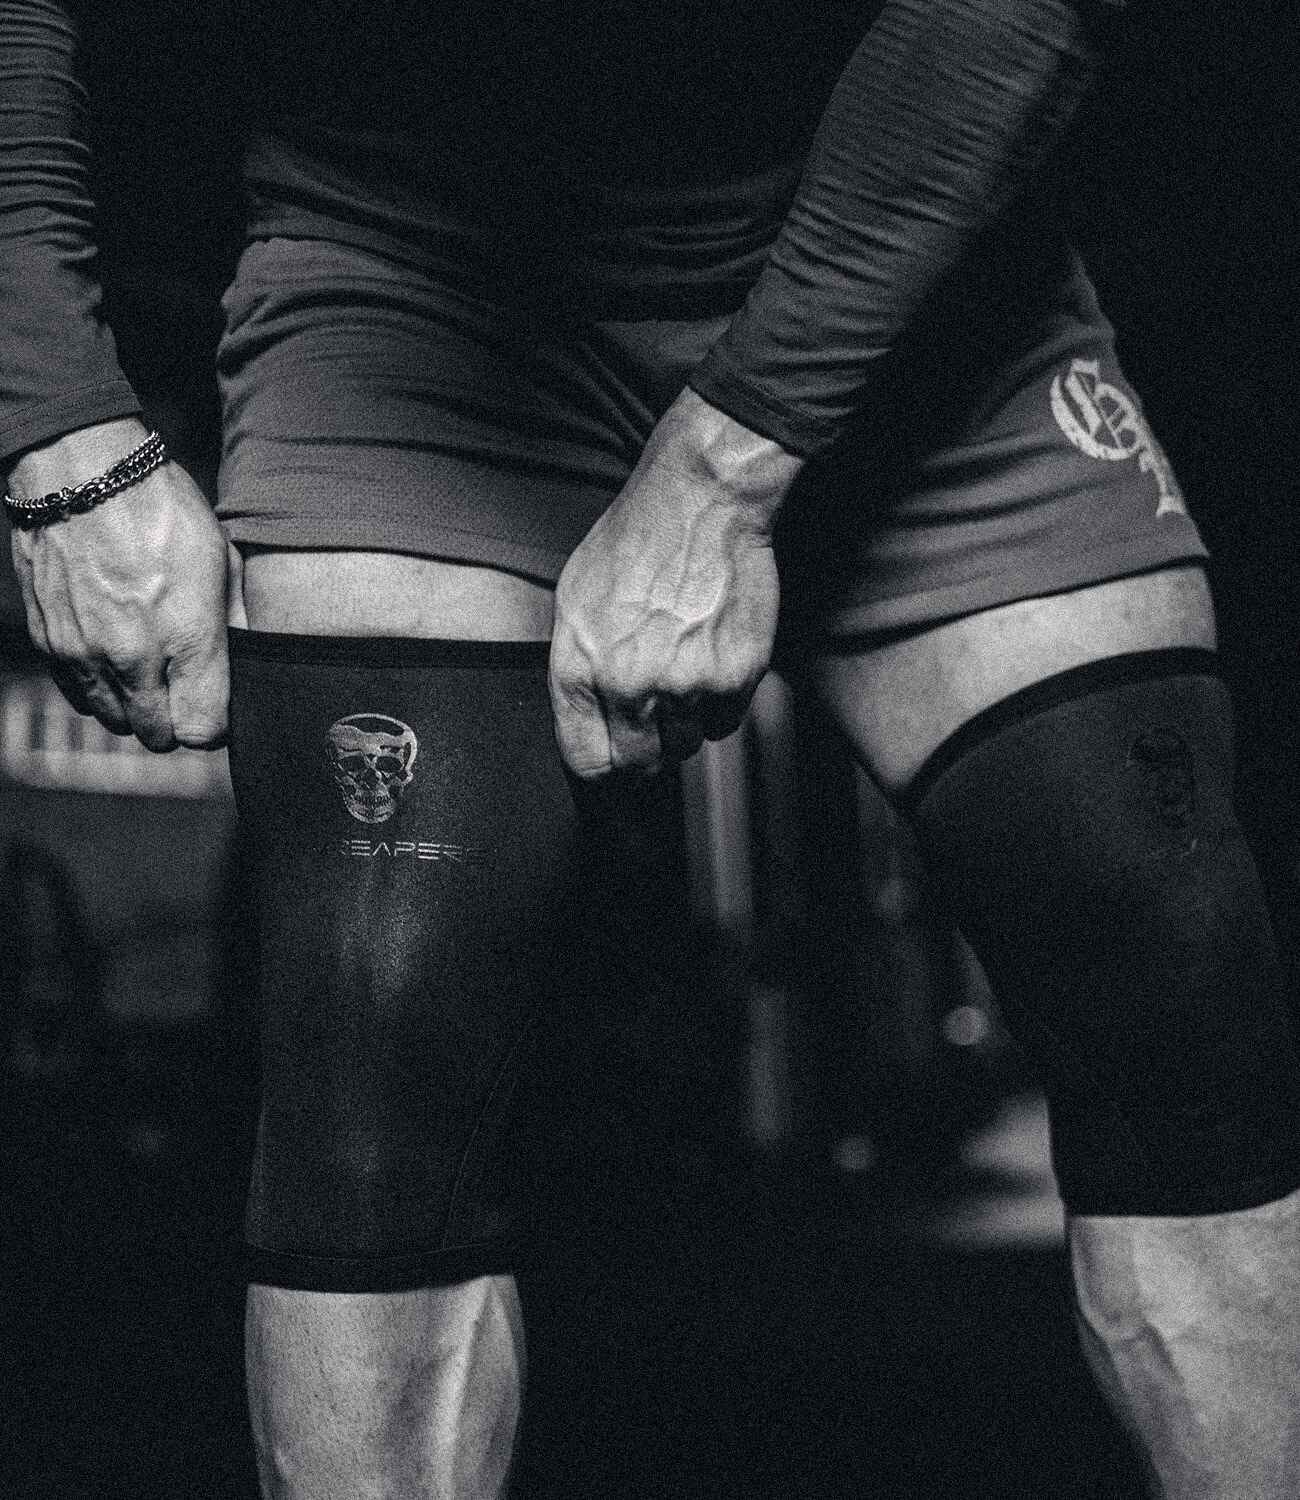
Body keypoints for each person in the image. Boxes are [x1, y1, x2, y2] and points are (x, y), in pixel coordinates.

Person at [3, 0, 1298, 1495]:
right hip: (403, 271)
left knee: (1163, 940)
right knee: (377, 1033)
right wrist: (58, 437)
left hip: (917, 266)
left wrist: (720, 476)